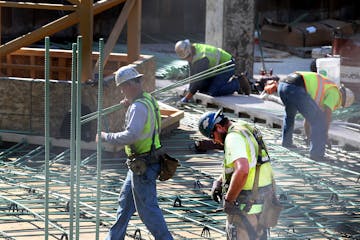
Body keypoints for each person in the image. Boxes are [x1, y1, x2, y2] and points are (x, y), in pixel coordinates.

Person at [96, 65, 173, 240]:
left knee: (148, 212)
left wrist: (106, 136)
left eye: (122, 88)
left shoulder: (138, 107)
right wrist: (129, 104)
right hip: (141, 163)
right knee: (125, 203)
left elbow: (131, 135)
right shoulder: (148, 99)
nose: (122, 92)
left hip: (144, 165)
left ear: (130, 85)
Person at [198, 109, 276, 240]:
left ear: (219, 127)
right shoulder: (245, 128)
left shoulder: (233, 138)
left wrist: (229, 200)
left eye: (212, 137)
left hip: (245, 209)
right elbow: (252, 162)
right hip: (263, 205)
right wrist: (220, 181)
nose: (215, 142)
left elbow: (242, 170)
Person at [277, 71, 355, 160]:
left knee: (290, 114)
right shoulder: (336, 94)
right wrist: (324, 136)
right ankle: (317, 155)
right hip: (296, 89)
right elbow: (327, 116)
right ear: (343, 101)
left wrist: (309, 137)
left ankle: (286, 142)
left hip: (283, 86)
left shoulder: (324, 91)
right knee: (320, 120)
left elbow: (308, 118)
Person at [174, 39, 251, 104]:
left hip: (226, 66)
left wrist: (187, 98)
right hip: (215, 69)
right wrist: (190, 90)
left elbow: (198, 80)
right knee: (202, 89)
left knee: (213, 92)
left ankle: (238, 83)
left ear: (189, 52)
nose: (187, 60)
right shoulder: (192, 51)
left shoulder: (202, 58)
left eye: (187, 58)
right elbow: (193, 74)